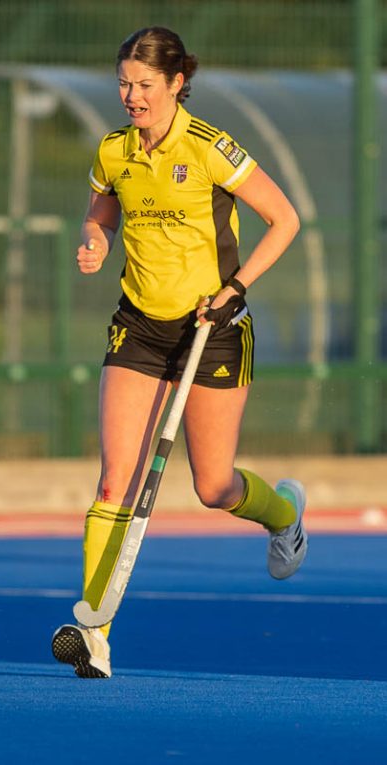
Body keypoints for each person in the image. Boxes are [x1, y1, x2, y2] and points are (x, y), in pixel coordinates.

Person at [51, 27, 307, 680]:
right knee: (116, 478)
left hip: (213, 328)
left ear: (174, 84)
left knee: (213, 485)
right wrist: (95, 241)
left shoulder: (211, 147)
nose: (130, 95)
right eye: (123, 83)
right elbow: (100, 213)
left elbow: (286, 220)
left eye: (143, 84)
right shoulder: (114, 151)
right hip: (139, 326)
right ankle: (96, 631)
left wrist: (235, 288)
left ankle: (283, 513)